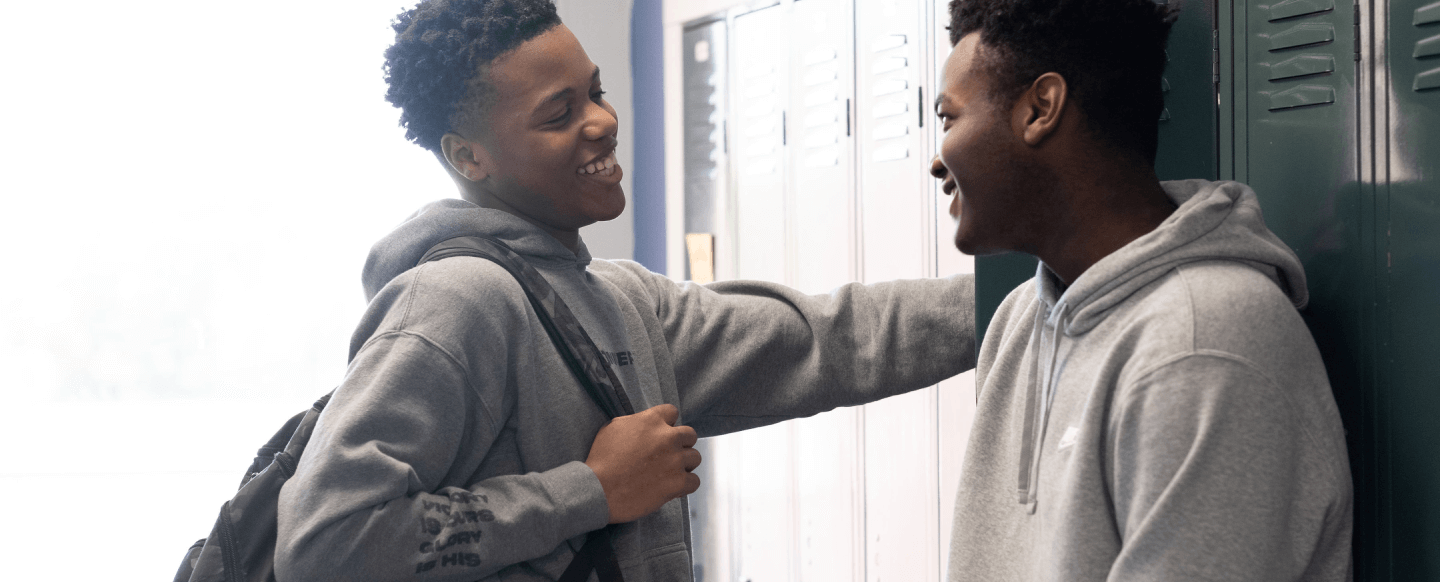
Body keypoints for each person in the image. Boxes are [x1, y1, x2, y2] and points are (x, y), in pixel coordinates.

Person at [273, 1, 975, 580]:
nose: (604, 122)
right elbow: (326, 542)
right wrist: (588, 492)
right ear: (468, 155)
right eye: (559, 114)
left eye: (597, 92)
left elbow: (828, 340)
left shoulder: (616, 302)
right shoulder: (453, 304)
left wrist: (1032, 290)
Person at [928, 0, 1352, 580]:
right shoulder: (1020, 321)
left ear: (1040, 109)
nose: (937, 160)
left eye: (948, 119)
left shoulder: (1204, 345)